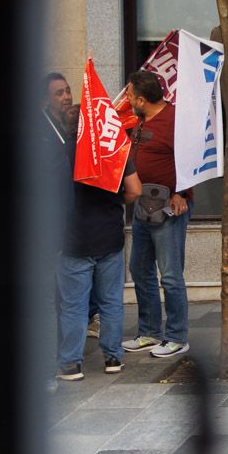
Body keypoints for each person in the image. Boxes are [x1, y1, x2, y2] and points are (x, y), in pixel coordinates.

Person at [56, 82, 140, 382]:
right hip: (110, 237)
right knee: (110, 302)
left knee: (74, 307)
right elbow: (135, 190)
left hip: (74, 240)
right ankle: (113, 357)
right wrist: (114, 201)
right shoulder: (115, 150)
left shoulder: (61, 154)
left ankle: (70, 364)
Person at [122, 69, 192, 359]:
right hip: (142, 207)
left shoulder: (175, 120)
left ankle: (177, 336)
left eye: (129, 95)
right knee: (140, 269)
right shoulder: (139, 120)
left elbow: (191, 158)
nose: (126, 99)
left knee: (171, 275)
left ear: (141, 99)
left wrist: (183, 193)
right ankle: (150, 331)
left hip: (168, 207)